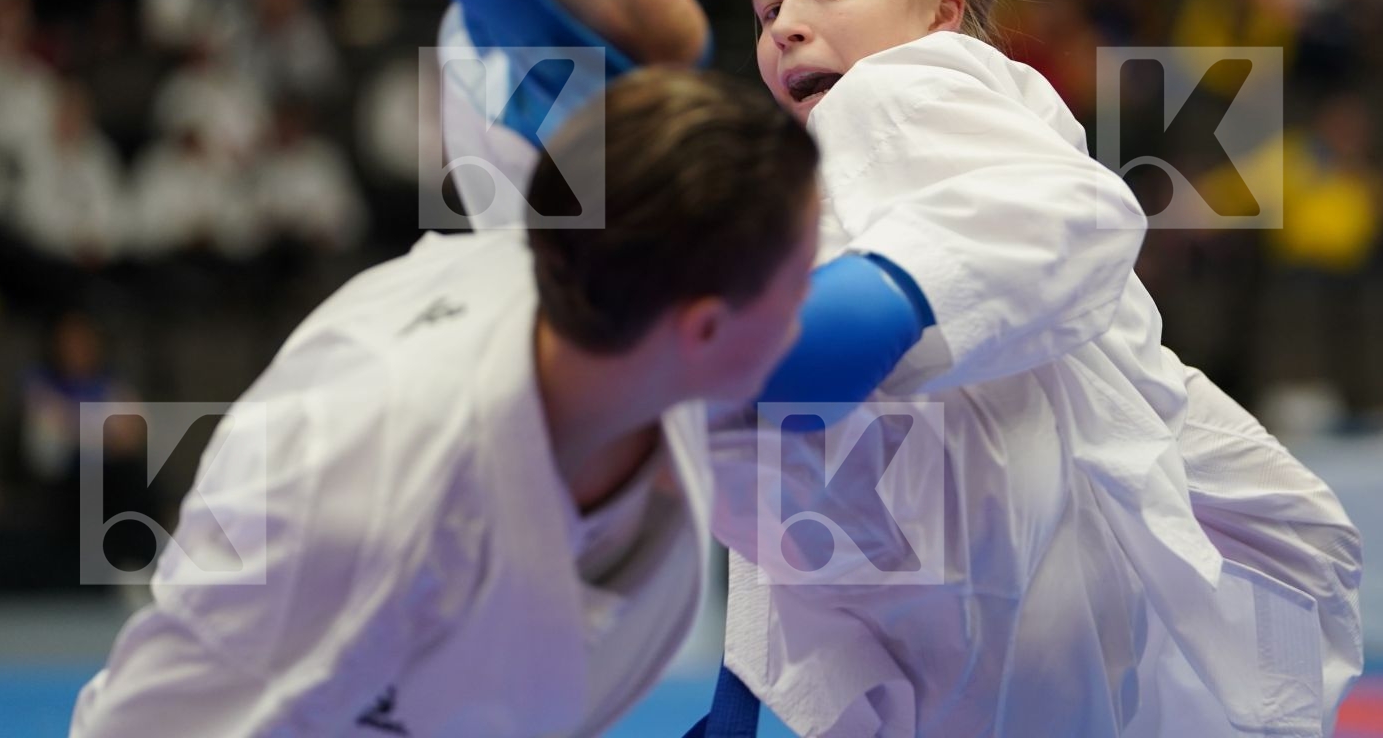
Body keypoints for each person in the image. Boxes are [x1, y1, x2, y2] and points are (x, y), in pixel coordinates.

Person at [407, 0, 1363, 737]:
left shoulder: (928, 81)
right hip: (930, 576)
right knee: (697, 323)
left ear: (945, 14)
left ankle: (554, 79)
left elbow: (1072, 214)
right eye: (768, 5)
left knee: (642, 297)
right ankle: (560, 82)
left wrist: (862, 312)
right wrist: (742, 701)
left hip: (1044, 530)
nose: (785, 24)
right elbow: (790, 510)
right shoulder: (808, 191)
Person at [69, 67, 823, 737]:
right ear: (705, 326)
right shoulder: (361, 496)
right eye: (799, 285)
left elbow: (582, 62)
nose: (811, 310)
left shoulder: (622, 284)